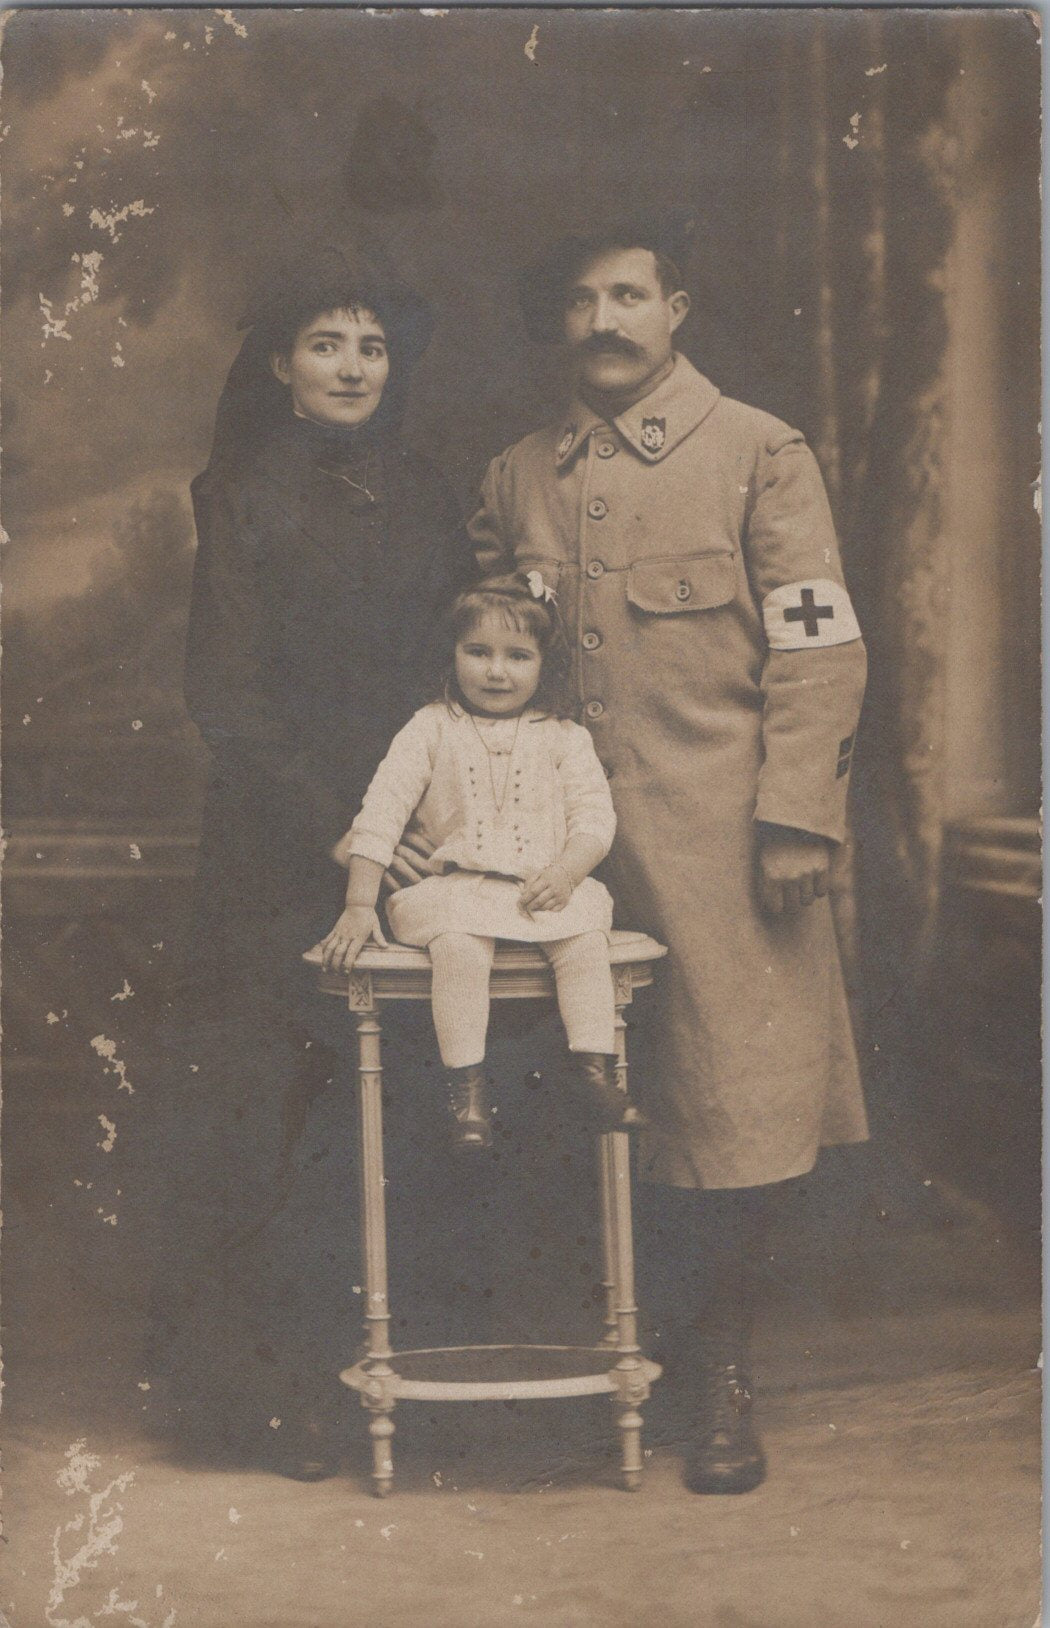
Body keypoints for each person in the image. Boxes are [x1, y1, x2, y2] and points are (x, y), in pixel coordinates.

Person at [465, 221, 869, 1494]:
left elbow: (818, 647)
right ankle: (604, 1360)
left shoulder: (760, 452)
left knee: (728, 1113)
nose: (606, 319)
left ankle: (719, 1376)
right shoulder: (515, 476)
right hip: (552, 858)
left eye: (629, 294)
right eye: (581, 297)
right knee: (567, 1107)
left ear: (678, 306)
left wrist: (797, 814)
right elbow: (484, 660)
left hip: (721, 846)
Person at [150, 243, 475, 1480]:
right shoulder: (236, 494)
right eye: (328, 343)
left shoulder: (432, 495)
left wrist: (426, 820)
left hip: (414, 844)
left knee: (387, 1115)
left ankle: (400, 1379)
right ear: (282, 364)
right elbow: (225, 697)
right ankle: (254, 1400)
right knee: (265, 1112)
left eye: (374, 345)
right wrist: (346, 831)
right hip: (280, 850)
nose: (352, 366)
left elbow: (456, 669)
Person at [318, 572, 647, 1150]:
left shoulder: (565, 738)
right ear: (452, 654)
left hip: (541, 890)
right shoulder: (429, 728)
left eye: (518, 656)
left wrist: (567, 873)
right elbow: (381, 812)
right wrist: (357, 902)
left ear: (546, 664)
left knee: (585, 942)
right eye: (478, 652)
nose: (497, 671)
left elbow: (595, 820)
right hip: (456, 891)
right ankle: (466, 1089)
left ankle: (591, 1074)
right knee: (460, 947)